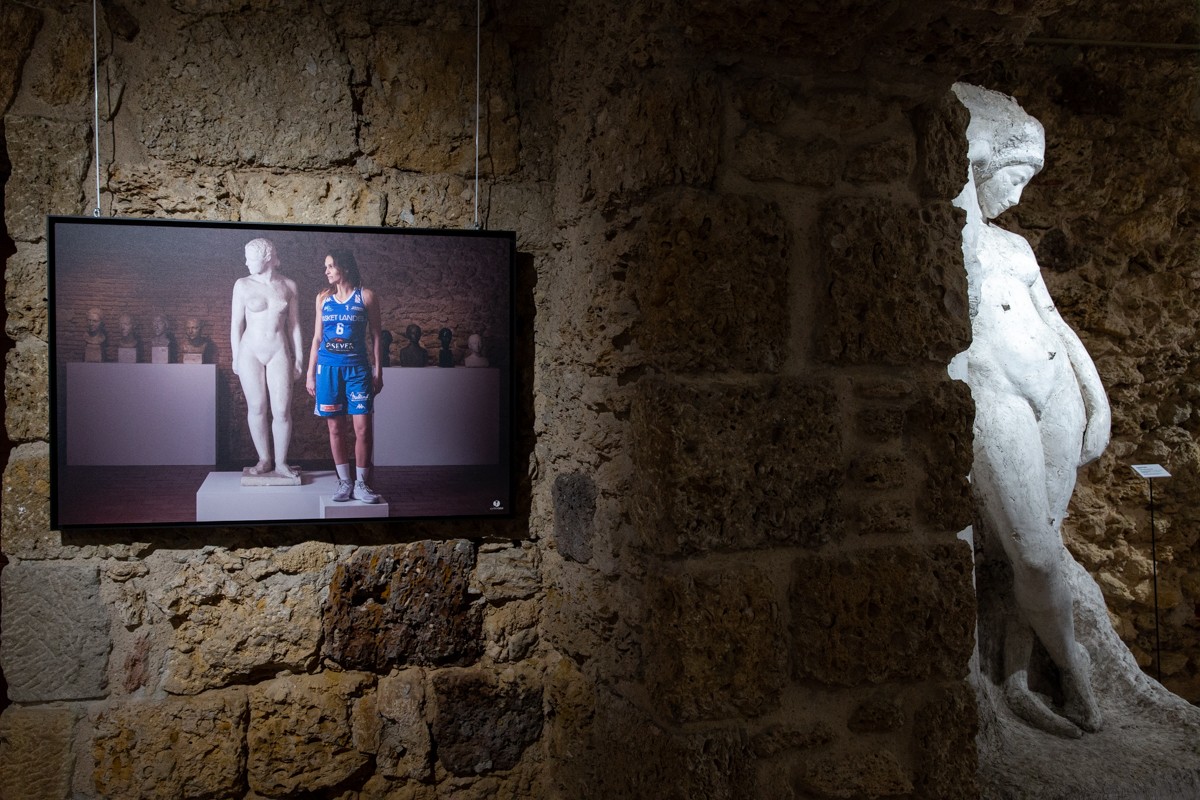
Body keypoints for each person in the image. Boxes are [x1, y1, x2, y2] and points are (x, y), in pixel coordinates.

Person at [951, 83, 1111, 737]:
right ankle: (1074, 672)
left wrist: (1097, 398)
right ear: (983, 164)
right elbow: (962, 157)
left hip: (1056, 396)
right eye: (1015, 177)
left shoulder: (1015, 248)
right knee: (1037, 554)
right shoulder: (955, 232)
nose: (1018, 197)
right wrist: (985, 133)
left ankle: (1020, 674)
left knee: (1038, 539)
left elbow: (1056, 323)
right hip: (996, 399)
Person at [306, 248, 384, 503]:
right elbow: (317, 338)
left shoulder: (366, 297)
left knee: (363, 428)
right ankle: (344, 481)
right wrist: (310, 374)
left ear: (345, 267)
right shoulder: (323, 299)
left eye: (331, 266)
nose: (326, 271)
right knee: (335, 427)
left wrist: (378, 370)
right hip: (328, 369)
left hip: (357, 370)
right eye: (326, 266)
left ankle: (362, 484)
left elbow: (376, 336)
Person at [230, 238, 303, 479]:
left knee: (281, 410)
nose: (246, 263)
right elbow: (236, 324)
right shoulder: (242, 285)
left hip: (278, 350)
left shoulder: (288, 286)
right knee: (257, 406)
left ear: (267, 258)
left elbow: (294, 325)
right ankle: (264, 459)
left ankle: (281, 462)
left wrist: (299, 358)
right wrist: (235, 356)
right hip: (250, 351)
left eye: (250, 258)